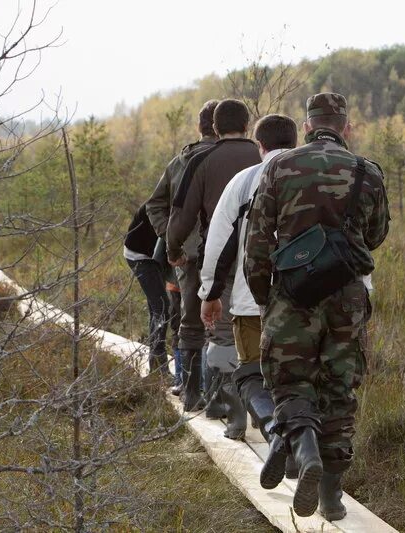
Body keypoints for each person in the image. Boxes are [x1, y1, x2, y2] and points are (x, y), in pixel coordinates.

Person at [244, 93, 390, 520]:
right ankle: (331, 496)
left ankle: (304, 451)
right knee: (339, 390)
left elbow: (257, 240)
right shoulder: (368, 172)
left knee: (291, 382)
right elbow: (376, 235)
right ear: (345, 127)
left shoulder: (279, 166)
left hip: (291, 294)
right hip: (346, 297)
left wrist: (264, 296)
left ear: (306, 125)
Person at [198, 114, 297, 442]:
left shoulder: (244, 181)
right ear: (295, 141)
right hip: (304, 301)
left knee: (252, 372)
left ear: (260, 145)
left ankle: (270, 433)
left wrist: (209, 294)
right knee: (295, 379)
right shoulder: (309, 176)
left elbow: (219, 242)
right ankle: (299, 448)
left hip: (251, 300)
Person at [166, 98, 261, 414]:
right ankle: (256, 404)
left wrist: (174, 249)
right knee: (257, 323)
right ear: (247, 125)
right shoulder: (264, 157)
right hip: (262, 254)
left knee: (207, 324)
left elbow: (182, 214)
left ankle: (211, 399)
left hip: (217, 253)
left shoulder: (201, 160)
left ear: (215, 128)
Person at [145, 100, 219, 398]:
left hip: (184, 257)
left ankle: (191, 389)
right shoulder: (237, 158)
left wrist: (173, 238)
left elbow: (154, 205)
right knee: (221, 322)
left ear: (200, 127)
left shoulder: (181, 160)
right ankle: (210, 391)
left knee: (186, 320)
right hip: (215, 254)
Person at [123, 203, 171, 373]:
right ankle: (158, 367)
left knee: (157, 308)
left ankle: (156, 363)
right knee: (162, 307)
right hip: (140, 256)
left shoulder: (174, 201)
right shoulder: (158, 204)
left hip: (153, 256)